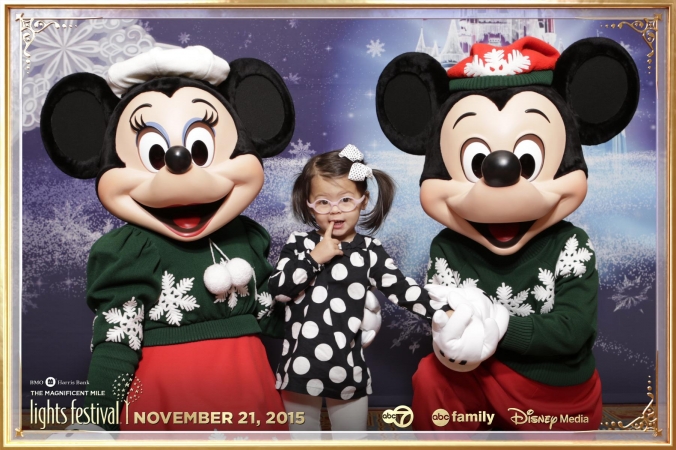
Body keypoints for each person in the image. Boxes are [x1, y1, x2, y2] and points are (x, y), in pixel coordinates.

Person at [268, 145, 448, 432]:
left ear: (363, 201)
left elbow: (401, 289)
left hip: (347, 367)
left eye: (346, 200)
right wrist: (316, 256)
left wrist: (442, 312)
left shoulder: (369, 251)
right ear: (308, 204)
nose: (335, 210)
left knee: (352, 440)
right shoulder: (299, 243)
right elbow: (278, 288)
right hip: (299, 370)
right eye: (323, 202)